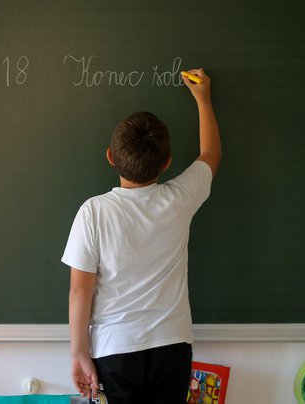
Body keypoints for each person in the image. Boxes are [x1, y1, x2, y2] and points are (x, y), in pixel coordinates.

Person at [62, 68, 221, 403]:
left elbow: (80, 289)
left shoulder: (93, 211)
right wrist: (203, 99)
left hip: (113, 351)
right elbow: (210, 155)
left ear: (110, 157)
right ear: (167, 163)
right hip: (172, 346)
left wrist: (79, 353)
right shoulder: (179, 199)